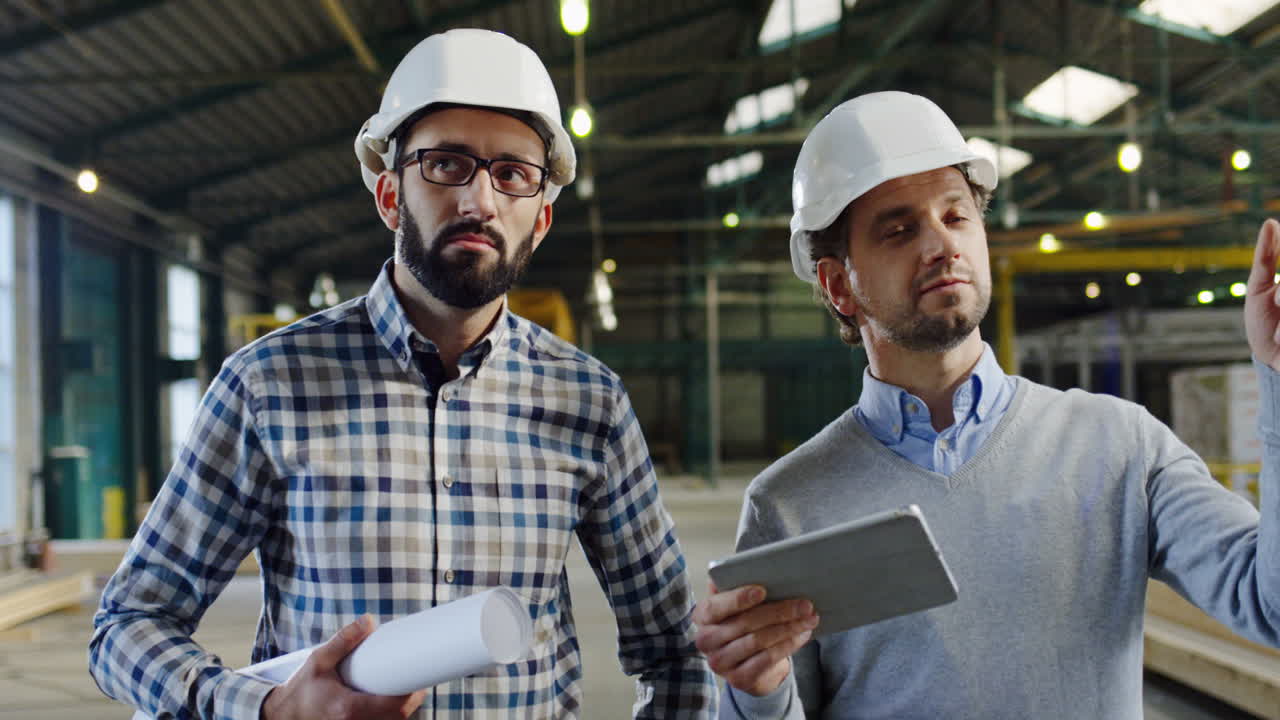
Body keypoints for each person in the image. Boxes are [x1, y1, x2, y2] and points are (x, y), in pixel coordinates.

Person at [89, 29, 716, 720]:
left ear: (539, 220)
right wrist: (265, 707)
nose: (479, 200)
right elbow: (128, 623)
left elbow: (674, 651)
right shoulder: (268, 387)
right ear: (390, 196)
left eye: (512, 173)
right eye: (447, 165)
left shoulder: (588, 403)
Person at [693, 90, 1280, 718]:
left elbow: (1269, 607)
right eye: (899, 230)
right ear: (840, 285)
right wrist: (758, 693)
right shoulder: (789, 504)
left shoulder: (1121, 447)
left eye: (957, 215)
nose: (941, 244)